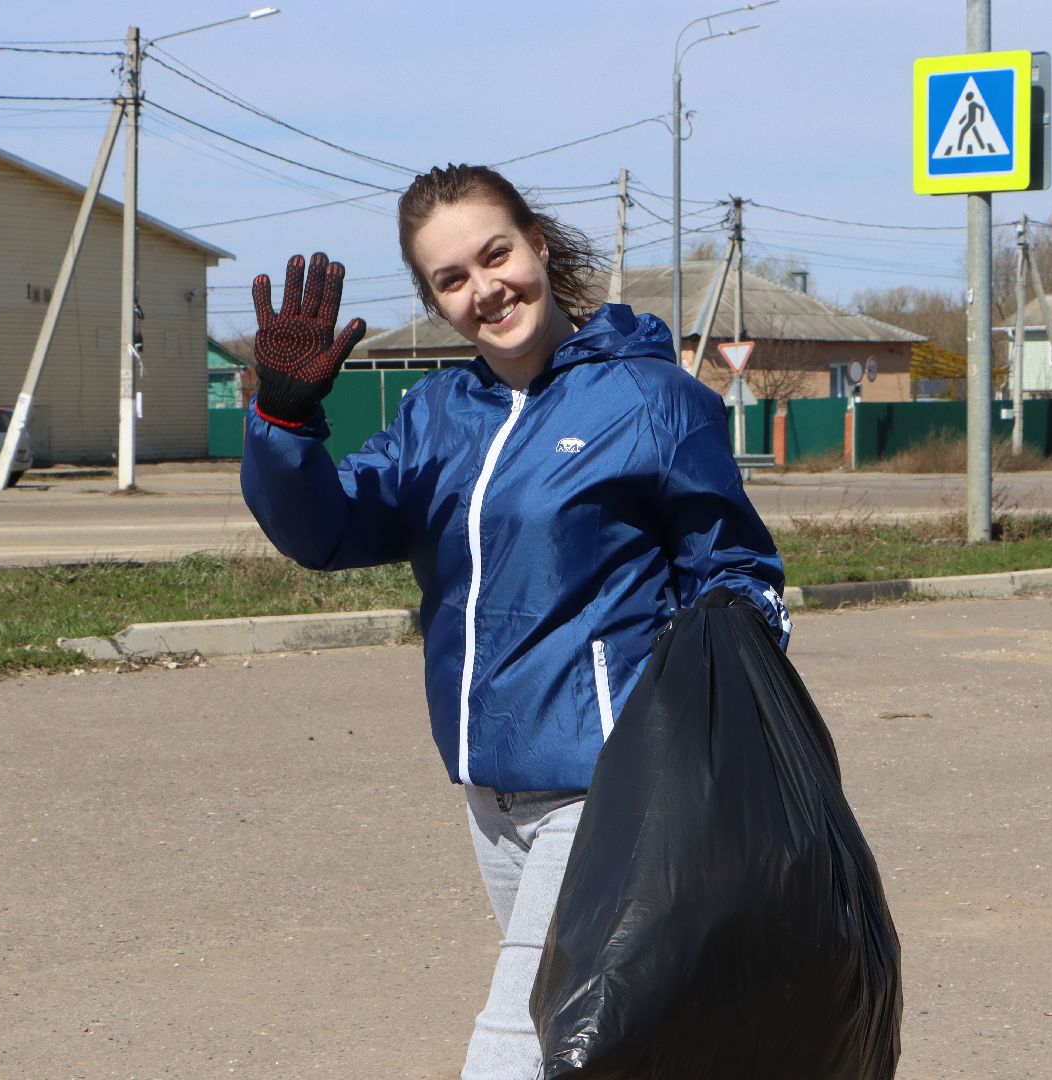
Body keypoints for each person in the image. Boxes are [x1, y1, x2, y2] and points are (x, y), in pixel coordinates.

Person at [240, 163, 789, 1080]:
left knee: (509, 1051)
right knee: (583, 1032)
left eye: (495, 254)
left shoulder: (652, 402)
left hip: (610, 785)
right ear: (435, 301)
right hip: (489, 796)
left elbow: (732, 567)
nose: (485, 288)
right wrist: (285, 422)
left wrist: (716, 729)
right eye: (451, 279)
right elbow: (326, 532)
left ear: (536, 242)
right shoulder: (434, 418)